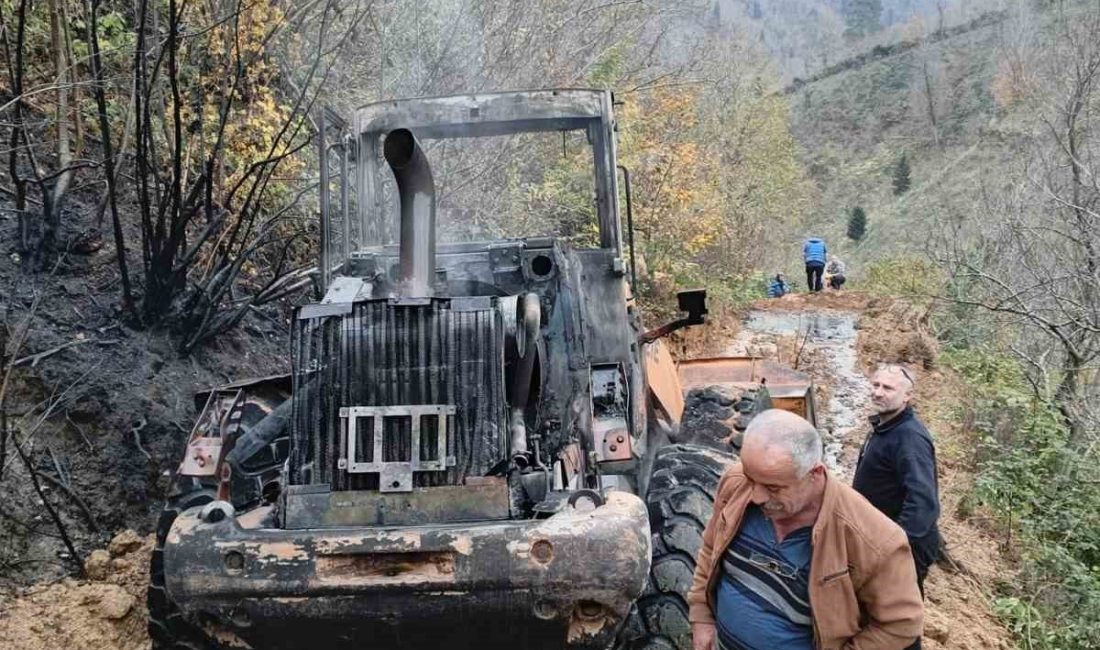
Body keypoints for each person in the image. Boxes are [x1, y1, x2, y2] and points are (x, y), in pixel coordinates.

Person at [689, 409, 924, 650]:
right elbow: (709, 548)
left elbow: (901, 624)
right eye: (750, 479)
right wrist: (701, 616)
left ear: (815, 474)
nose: (757, 496)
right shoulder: (735, 483)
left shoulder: (874, 539)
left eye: (773, 488)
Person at [853, 365, 942, 650]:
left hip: (902, 548)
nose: (878, 392)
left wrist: (893, 550)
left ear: (907, 396)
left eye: (888, 388)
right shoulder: (886, 426)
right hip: (881, 543)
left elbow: (923, 504)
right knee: (877, 614)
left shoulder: (909, 437)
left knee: (897, 623)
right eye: (875, 384)